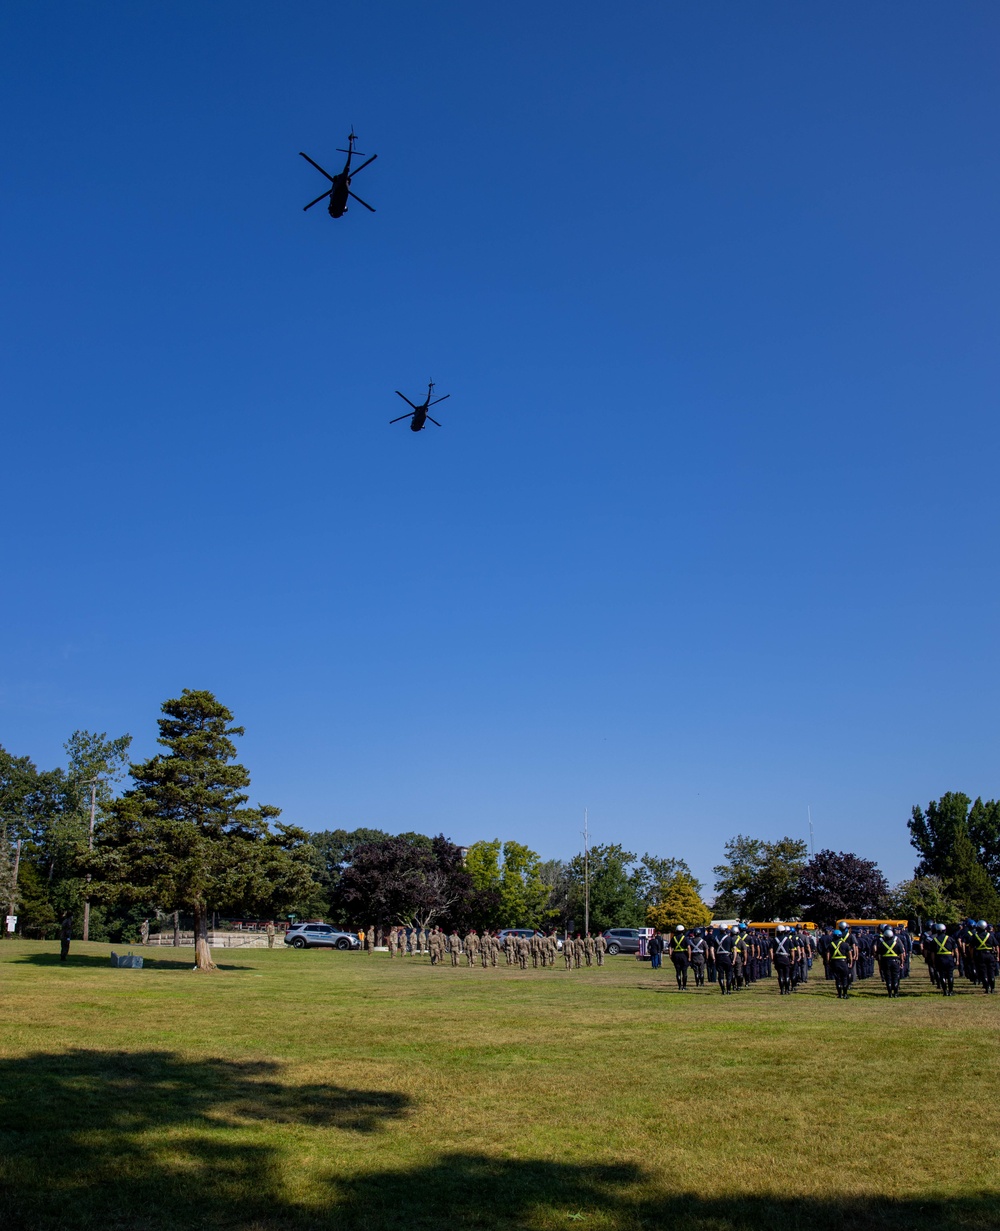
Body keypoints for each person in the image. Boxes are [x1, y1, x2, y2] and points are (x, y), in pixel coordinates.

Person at [969, 920, 998, 994]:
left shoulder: (975, 936)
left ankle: (987, 988)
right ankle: (993, 988)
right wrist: (997, 955)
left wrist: (972, 957)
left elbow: (971, 948)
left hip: (980, 955)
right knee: (991, 972)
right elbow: (996, 946)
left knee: (983, 972)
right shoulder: (990, 935)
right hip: (990, 955)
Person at [875, 926, 904, 997]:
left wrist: (880, 963)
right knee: (895, 977)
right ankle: (896, 993)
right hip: (895, 961)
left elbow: (878, 954)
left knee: (888, 977)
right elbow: (901, 953)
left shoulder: (881, 943)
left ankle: (890, 993)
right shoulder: (897, 942)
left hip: (885, 962)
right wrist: (902, 962)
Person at [932, 923, 959, 997]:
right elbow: (956, 950)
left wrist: (933, 962)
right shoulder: (950, 939)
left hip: (939, 958)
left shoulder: (934, 940)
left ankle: (945, 991)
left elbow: (933, 953)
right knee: (950, 975)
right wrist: (957, 960)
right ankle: (951, 991)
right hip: (949, 958)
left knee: (942, 975)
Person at [711, 926, 739, 995]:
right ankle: (728, 990)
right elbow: (735, 949)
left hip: (719, 957)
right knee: (729, 974)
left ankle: (723, 990)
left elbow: (711, 949)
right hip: (727, 957)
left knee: (720, 974)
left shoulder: (715, 938)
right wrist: (734, 959)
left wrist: (713, 958)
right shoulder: (730, 938)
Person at [828, 929, 855, 999]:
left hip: (834, 963)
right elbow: (850, 955)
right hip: (843, 962)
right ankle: (845, 994)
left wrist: (828, 963)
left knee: (837, 979)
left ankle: (839, 994)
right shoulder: (845, 944)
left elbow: (828, 955)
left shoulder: (831, 944)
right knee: (845, 978)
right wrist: (851, 962)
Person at [771, 926, 796, 995]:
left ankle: (782, 990)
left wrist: (772, 959)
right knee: (787, 974)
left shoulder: (774, 940)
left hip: (778, 958)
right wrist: (793, 959)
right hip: (786, 958)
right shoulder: (788, 940)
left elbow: (771, 950)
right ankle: (787, 990)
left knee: (780, 975)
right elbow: (792, 950)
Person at [668, 926, 691, 990]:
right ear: (683, 931)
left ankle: (679, 986)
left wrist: (670, 955)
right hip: (683, 955)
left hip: (676, 955)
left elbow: (670, 947)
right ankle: (684, 986)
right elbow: (689, 948)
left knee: (678, 972)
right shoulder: (685, 938)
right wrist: (689, 957)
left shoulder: (673, 938)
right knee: (684, 972)